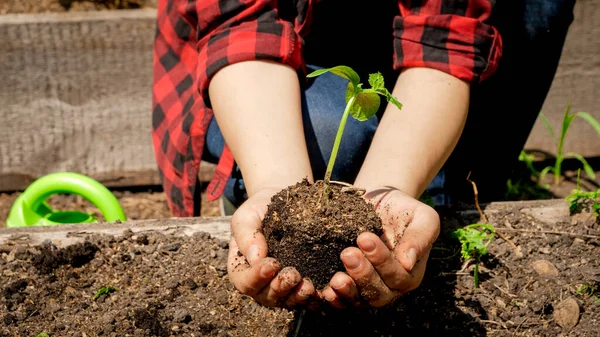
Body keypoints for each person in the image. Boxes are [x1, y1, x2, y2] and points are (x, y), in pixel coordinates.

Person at [151, 0, 576, 308]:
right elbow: (242, 27)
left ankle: (447, 189)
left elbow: (446, 35)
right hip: (264, 66)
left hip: (434, 61)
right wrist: (273, 185)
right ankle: (247, 178)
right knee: (335, 129)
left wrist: (389, 186)